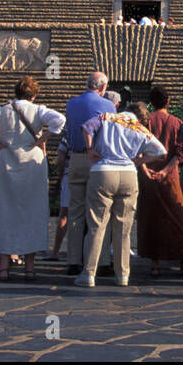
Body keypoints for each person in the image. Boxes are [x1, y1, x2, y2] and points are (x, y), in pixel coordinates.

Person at [0, 77, 65, 281]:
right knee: (32, 213)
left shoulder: (2, 110)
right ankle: (29, 267)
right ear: (34, 94)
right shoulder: (39, 110)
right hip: (32, 162)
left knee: (5, 212)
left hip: (6, 161)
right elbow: (60, 120)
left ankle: (4, 266)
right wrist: (41, 140)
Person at [76, 102, 166, 286]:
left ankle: (88, 274)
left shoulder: (107, 117)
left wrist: (90, 149)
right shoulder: (139, 128)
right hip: (128, 174)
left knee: (97, 225)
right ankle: (123, 275)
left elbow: (86, 127)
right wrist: (138, 161)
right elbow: (160, 151)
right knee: (123, 229)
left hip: (103, 171)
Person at [137, 86, 183, 278]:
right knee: (178, 219)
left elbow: (137, 148)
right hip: (171, 176)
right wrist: (166, 170)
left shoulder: (145, 123)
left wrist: (146, 169)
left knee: (150, 218)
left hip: (147, 177)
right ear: (168, 101)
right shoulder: (177, 122)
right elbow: (180, 152)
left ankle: (154, 264)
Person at [62, 73, 116, 275]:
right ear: (102, 88)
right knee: (100, 211)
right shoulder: (108, 106)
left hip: (75, 157)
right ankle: (100, 261)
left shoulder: (71, 104)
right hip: (97, 159)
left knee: (75, 211)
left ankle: (73, 261)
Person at [48, 138, 71, 261]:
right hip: (92, 172)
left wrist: (61, 176)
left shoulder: (68, 135)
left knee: (64, 215)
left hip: (70, 173)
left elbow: (61, 158)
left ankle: (55, 252)